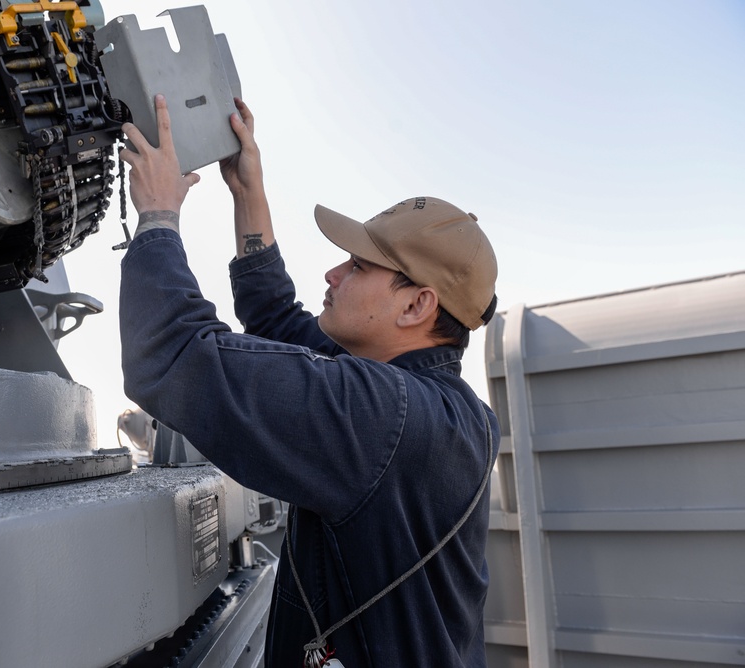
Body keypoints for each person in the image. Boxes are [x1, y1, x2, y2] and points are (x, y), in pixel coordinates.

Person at [118, 94, 500, 667]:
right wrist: (248, 189)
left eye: (360, 266)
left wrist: (157, 217)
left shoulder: (380, 417)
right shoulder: (444, 407)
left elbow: (170, 353)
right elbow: (276, 318)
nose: (334, 271)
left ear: (417, 305)